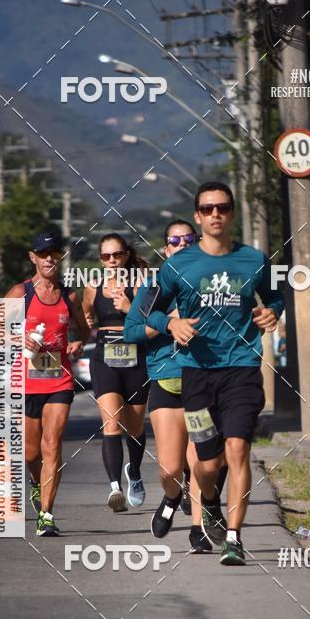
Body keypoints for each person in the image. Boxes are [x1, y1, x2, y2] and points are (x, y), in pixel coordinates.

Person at [144, 181, 283, 566]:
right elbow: (151, 311)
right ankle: (207, 500)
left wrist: (273, 312)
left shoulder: (254, 260)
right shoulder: (178, 264)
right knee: (206, 463)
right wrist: (170, 326)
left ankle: (235, 538)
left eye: (222, 207)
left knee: (237, 449)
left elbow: (274, 297)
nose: (215, 214)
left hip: (242, 368)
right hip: (197, 374)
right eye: (207, 209)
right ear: (197, 217)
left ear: (232, 213)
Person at [0, 231, 90, 536]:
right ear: (33, 257)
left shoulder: (69, 296)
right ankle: (35, 482)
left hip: (60, 379)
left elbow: (83, 331)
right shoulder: (22, 293)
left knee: (52, 444)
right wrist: (21, 338)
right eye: (43, 254)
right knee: (31, 453)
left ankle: (46, 514)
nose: (49, 259)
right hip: (27, 381)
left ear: (60, 258)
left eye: (54, 254)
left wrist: (77, 344)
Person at [124, 220, 213, 553]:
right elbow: (131, 331)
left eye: (189, 239)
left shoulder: (211, 286)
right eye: (175, 240)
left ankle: (198, 530)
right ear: (166, 249)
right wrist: (166, 324)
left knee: (201, 462)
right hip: (166, 383)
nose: (182, 244)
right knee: (170, 468)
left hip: (202, 381)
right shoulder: (154, 288)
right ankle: (172, 496)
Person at [82, 234, 148, 512]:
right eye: (106, 256)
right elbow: (85, 315)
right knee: (111, 423)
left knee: (134, 427)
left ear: (126, 255)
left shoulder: (142, 283)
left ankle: (133, 473)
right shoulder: (92, 286)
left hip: (136, 357)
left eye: (117, 255)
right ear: (100, 259)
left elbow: (150, 319)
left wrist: (128, 308)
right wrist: (80, 337)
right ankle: (114, 488)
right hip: (105, 358)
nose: (112, 261)